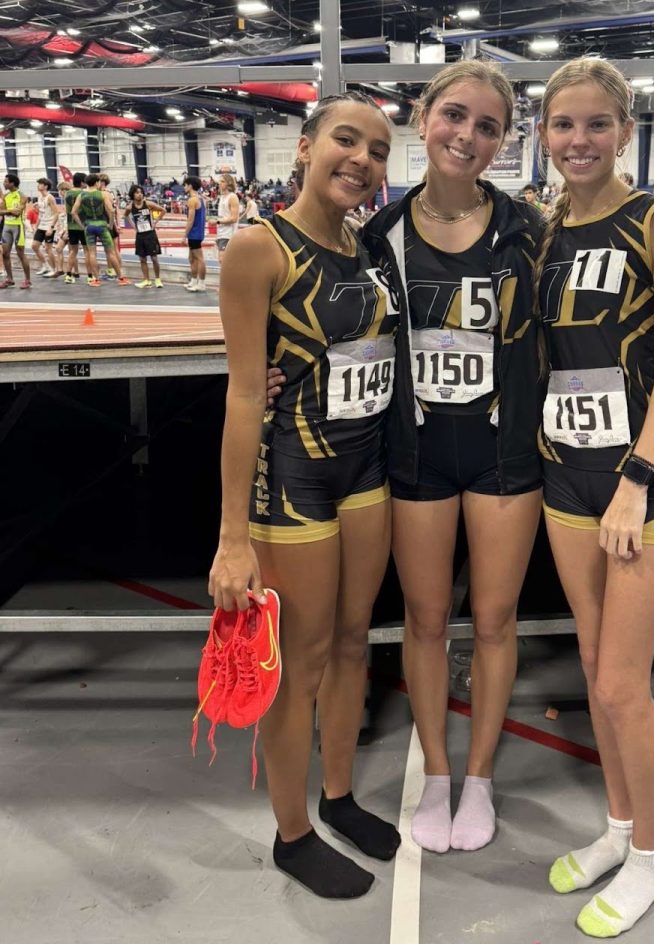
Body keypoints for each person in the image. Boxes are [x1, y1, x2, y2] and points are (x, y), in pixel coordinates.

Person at [266, 61, 546, 853]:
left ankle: (479, 775)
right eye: (455, 115)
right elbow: (327, 319)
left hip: (504, 456)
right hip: (413, 456)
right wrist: (270, 364)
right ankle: (433, 768)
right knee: (424, 622)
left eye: (488, 126)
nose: (468, 135)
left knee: (492, 621)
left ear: (501, 142)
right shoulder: (375, 239)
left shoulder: (529, 227)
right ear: (425, 120)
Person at [208, 92, 401, 901]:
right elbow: (244, 396)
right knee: (303, 662)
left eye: (379, 149)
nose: (361, 159)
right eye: (346, 141)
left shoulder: (366, 249)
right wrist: (232, 537)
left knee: (356, 642)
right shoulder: (261, 248)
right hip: (292, 481)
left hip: (366, 473)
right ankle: (293, 834)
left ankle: (339, 794)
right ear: (306, 146)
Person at [534, 59, 654, 938]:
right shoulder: (545, 227)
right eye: (564, 126)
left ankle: (652, 859)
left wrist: (635, 480)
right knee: (597, 676)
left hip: (641, 485)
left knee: (627, 685)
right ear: (546, 134)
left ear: (626, 132)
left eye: (597, 125)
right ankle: (619, 828)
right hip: (566, 478)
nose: (579, 141)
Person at [72, 174, 130, 287]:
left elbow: (74, 212)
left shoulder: (81, 195)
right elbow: (111, 211)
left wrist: (82, 226)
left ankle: (96, 279)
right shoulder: (103, 194)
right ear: (97, 182)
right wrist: (111, 224)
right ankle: (121, 278)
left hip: (89, 226)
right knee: (111, 252)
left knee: (92, 253)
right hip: (102, 225)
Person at [125, 185, 165, 288]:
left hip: (150, 234)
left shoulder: (148, 204)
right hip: (140, 235)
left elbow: (163, 210)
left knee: (154, 258)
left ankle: (157, 279)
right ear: (133, 194)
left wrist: (155, 222)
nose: (140, 194)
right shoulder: (130, 207)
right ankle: (146, 280)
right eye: (137, 192)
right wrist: (134, 226)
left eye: (141, 192)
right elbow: (125, 216)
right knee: (142, 259)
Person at [1, 173, 32, 289]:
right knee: (5, 254)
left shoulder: (22, 196)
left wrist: (6, 211)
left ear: (12, 183)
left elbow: (17, 213)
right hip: (7, 227)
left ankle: (28, 280)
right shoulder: (5, 196)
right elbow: (1, 211)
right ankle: (9, 279)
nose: (4, 184)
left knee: (20, 253)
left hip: (18, 227)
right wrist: (10, 211)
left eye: (6, 182)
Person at [63, 173, 89, 284]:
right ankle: (90, 276)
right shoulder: (84, 193)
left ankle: (68, 275)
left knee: (73, 251)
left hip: (71, 226)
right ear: (82, 182)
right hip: (83, 226)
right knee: (88, 251)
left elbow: (67, 210)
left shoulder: (67, 193)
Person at [183, 176, 207, 291]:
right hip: (198, 232)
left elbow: (190, 220)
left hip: (194, 233)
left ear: (190, 186)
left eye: (185, 185)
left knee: (199, 258)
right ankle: (193, 281)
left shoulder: (192, 200)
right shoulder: (201, 198)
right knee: (191, 258)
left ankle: (201, 283)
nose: (184, 187)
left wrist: (184, 235)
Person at [32, 177, 59, 277]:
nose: (38, 186)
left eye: (40, 184)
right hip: (42, 225)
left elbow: (56, 213)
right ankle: (46, 266)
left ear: (45, 186)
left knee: (48, 249)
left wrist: (51, 227)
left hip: (49, 226)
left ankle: (54, 269)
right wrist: (36, 225)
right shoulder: (40, 197)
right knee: (34, 246)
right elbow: (41, 213)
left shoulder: (50, 197)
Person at [215, 173, 240, 253]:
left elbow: (234, 218)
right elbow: (224, 215)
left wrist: (217, 221)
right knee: (223, 261)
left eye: (222, 181)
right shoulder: (222, 197)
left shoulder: (232, 197)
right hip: (221, 232)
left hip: (228, 234)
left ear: (229, 183)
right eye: (219, 181)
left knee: (223, 260)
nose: (219, 183)